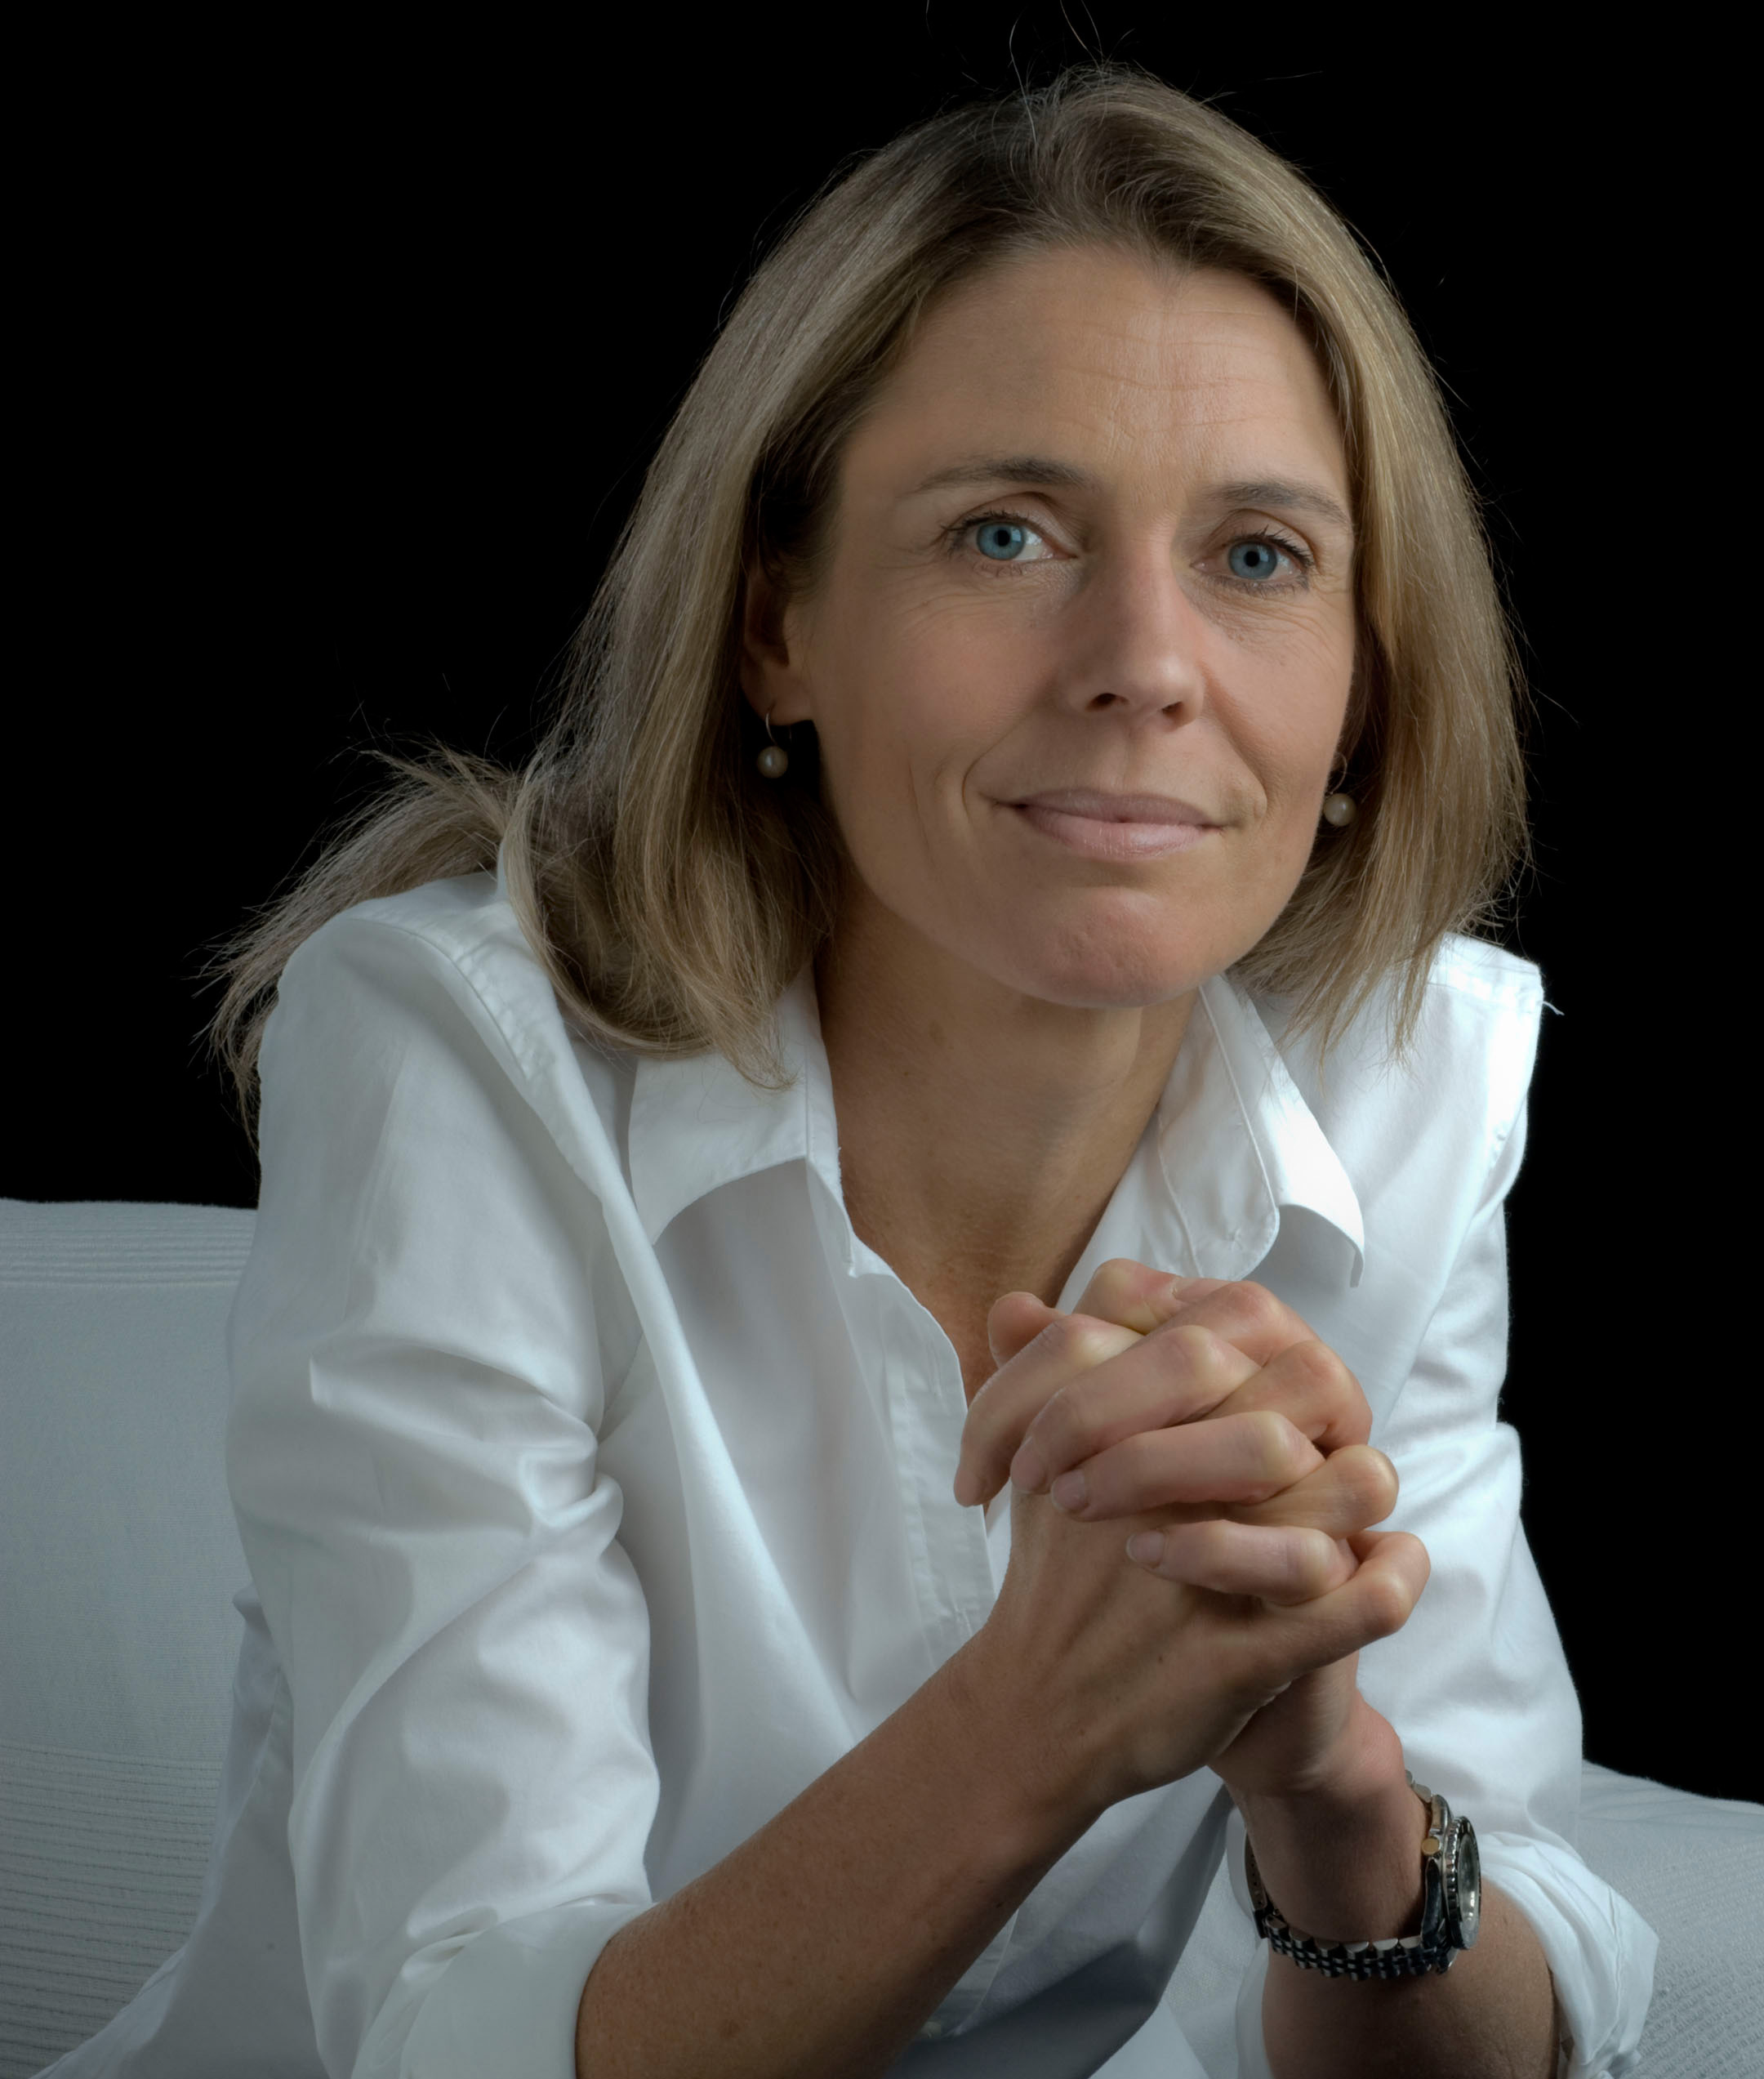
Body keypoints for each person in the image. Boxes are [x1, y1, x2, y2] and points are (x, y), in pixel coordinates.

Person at [47, 63, 1657, 2079]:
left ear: (1365, 681)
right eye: (1005, 532)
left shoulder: (1409, 1077)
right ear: (774, 625)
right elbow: (458, 2036)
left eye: (1257, 556)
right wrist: (1041, 1715)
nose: (1146, 662)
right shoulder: (455, 1056)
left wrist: (1331, 1798)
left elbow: (1516, 1975)